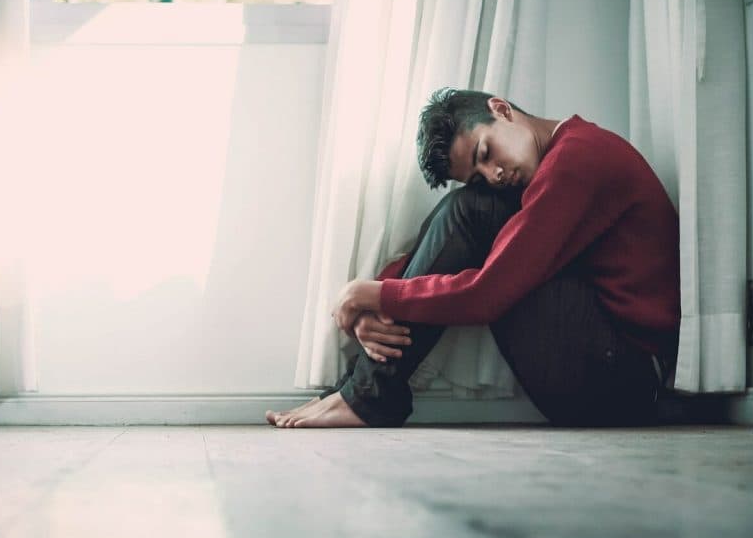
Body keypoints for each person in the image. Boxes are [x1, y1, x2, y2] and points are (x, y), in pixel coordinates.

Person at [266, 87, 680, 428]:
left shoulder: (578, 160)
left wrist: (372, 295)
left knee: (472, 210)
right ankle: (363, 390)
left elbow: (488, 294)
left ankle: (367, 396)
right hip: (604, 364)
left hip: (626, 382)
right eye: (480, 172)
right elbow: (445, 241)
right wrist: (370, 300)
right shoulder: (553, 164)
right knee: (470, 205)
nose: (495, 174)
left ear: (501, 109)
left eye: (486, 153)